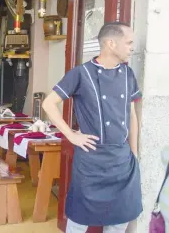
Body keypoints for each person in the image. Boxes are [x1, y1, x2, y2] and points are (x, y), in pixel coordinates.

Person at [42, 22, 142, 233]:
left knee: (120, 218)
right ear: (111, 43)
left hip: (122, 160)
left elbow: (131, 115)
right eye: (129, 42)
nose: (132, 47)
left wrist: (133, 152)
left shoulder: (128, 74)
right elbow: (48, 103)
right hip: (91, 161)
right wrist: (71, 136)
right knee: (79, 218)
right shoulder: (81, 73)